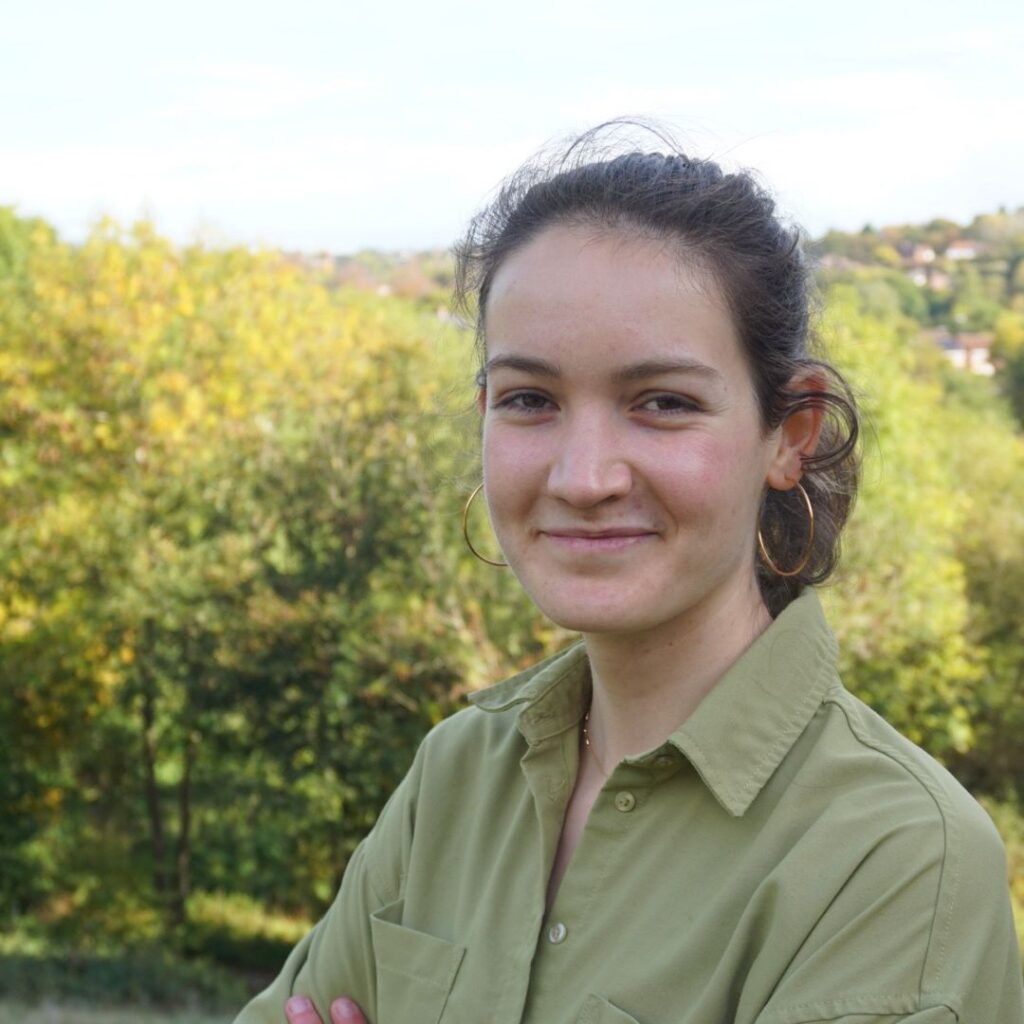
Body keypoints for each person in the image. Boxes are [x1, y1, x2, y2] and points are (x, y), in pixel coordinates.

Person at [235, 123, 1024, 1024]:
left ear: (789, 435)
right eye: (531, 400)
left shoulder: (895, 860)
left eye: (663, 404)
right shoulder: (457, 776)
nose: (583, 477)